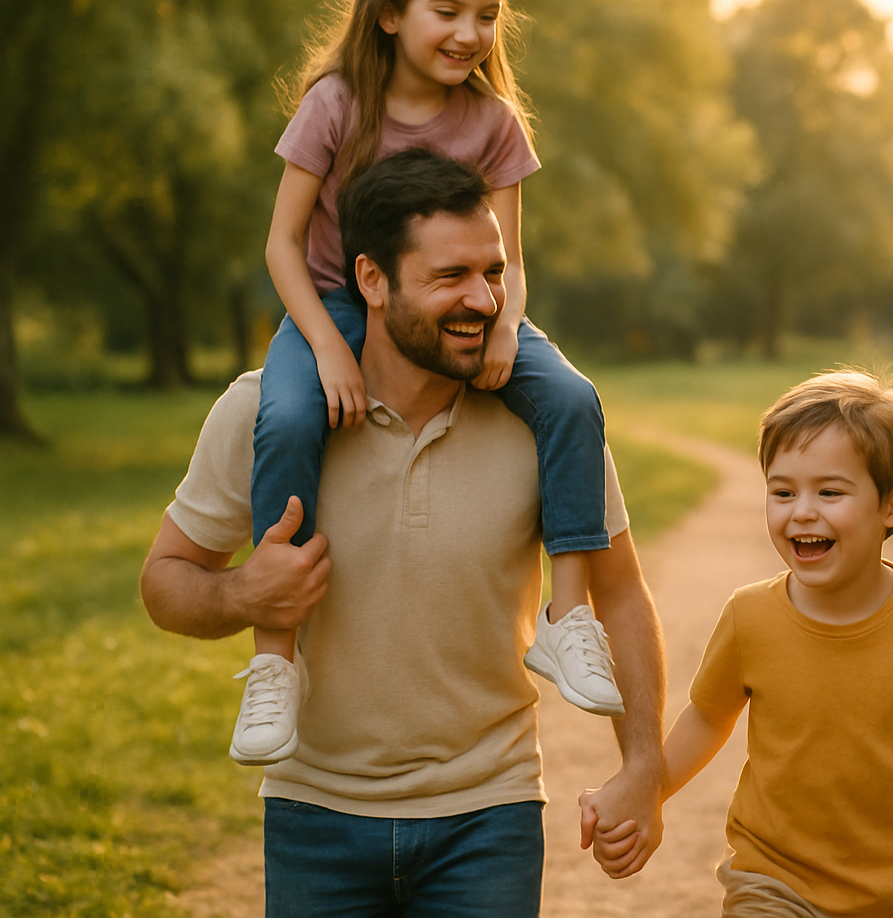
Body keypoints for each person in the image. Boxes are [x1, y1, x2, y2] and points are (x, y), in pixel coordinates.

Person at [139, 149, 665, 916]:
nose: (484, 301)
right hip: (314, 814)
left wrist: (643, 765)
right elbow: (164, 582)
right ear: (372, 281)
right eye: (450, 277)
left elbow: (618, 591)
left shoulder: (545, 423)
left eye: (492, 273)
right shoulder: (264, 416)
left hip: (491, 814)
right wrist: (242, 595)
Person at [237, 0, 621, 768]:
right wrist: (331, 348)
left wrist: (501, 330)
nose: (470, 33)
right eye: (448, 11)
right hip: (338, 301)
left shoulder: (493, 122)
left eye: (486, 16)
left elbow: (510, 263)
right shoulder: (337, 106)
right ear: (390, 12)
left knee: (570, 397)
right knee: (291, 417)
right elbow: (281, 243)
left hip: (468, 304)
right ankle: (274, 660)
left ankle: (566, 620)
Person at [587, 370, 893, 917]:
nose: (801, 511)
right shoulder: (749, 616)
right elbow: (707, 719)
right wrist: (644, 793)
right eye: (782, 492)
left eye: (829, 492)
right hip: (771, 881)